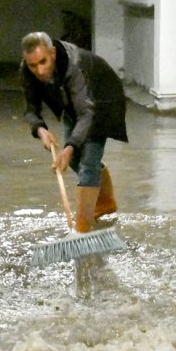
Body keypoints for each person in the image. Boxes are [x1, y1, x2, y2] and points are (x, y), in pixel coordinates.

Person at [20, 31, 128, 233]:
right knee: (73, 160)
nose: (40, 71)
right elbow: (30, 109)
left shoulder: (75, 65)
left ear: (52, 52)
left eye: (43, 62)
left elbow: (88, 114)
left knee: (87, 164)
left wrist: (68, 147)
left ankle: (83, 228)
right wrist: (41, 130)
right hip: (75, 103)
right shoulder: (27, 70)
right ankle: (105, 203)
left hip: (104, 100)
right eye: (33, 65)